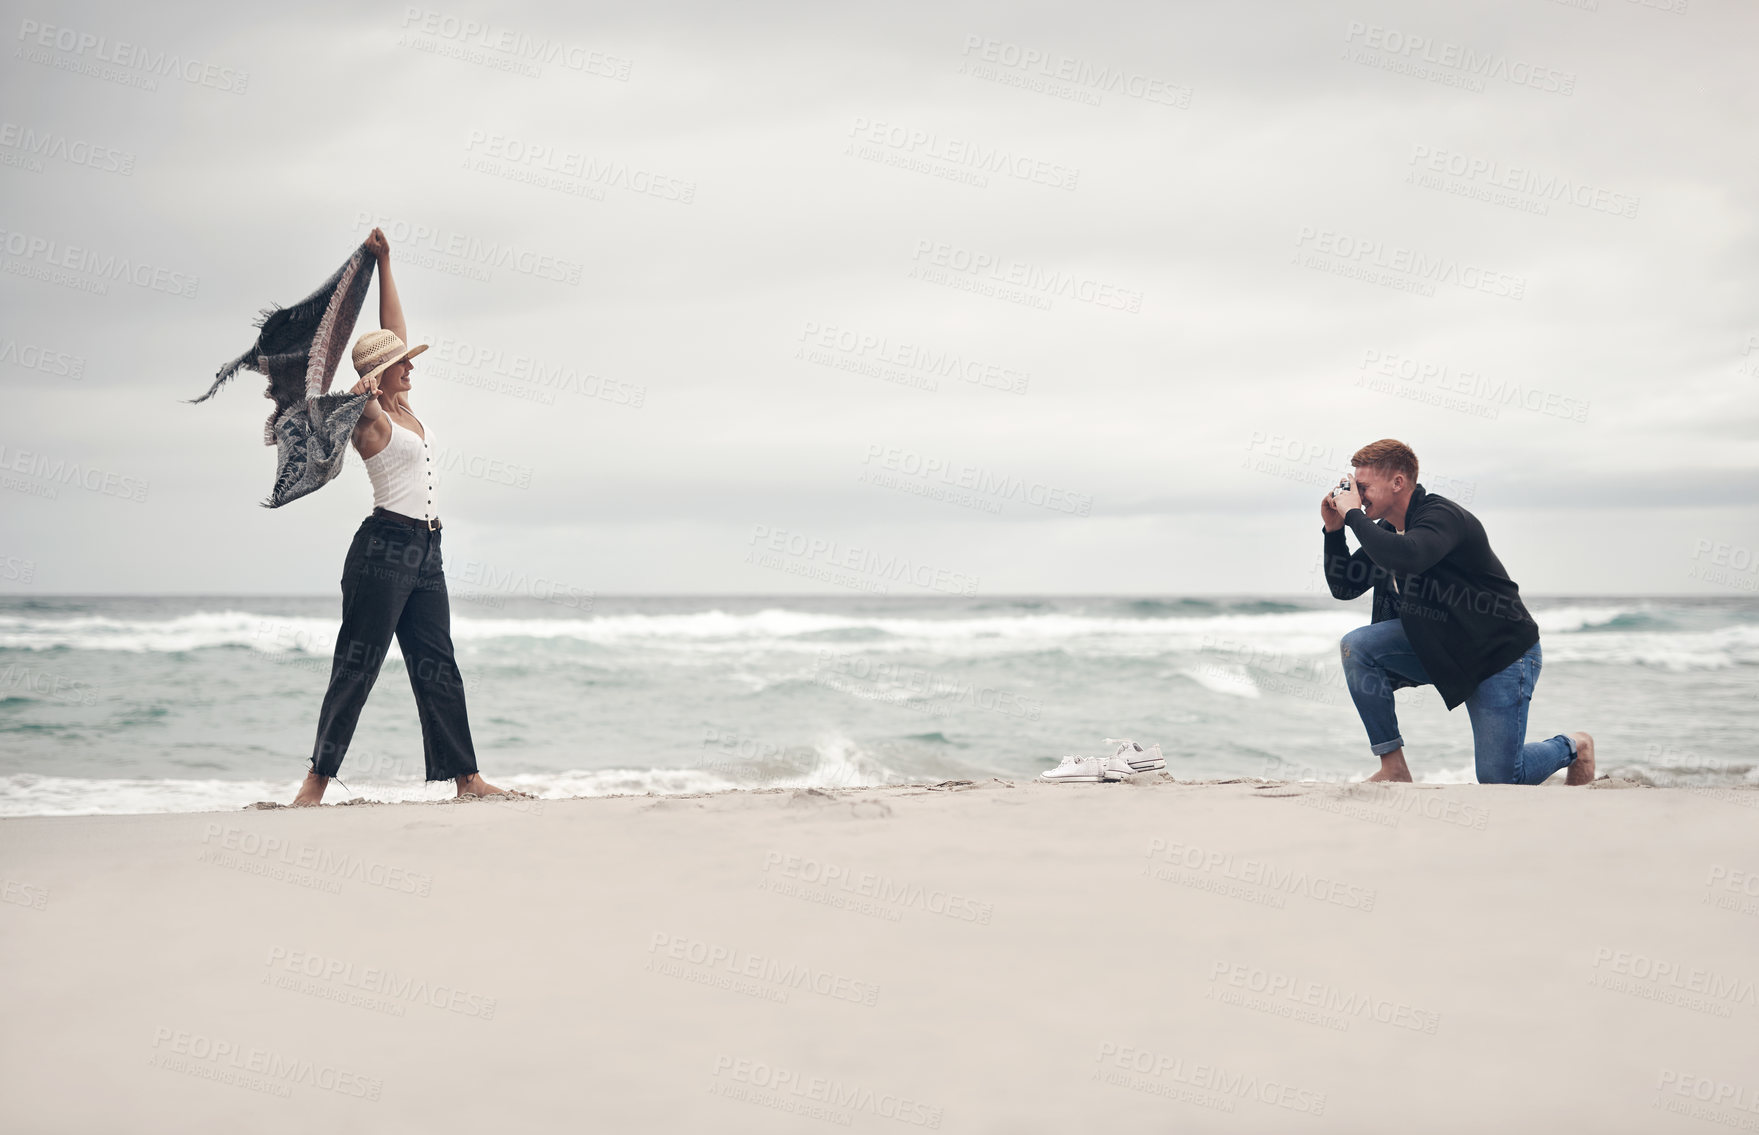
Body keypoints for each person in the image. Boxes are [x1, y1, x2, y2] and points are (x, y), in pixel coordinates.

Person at [292, 228, 512, 805]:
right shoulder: (369, 417)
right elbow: (333, 398)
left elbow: (393, 331)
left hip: (429, 551)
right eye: (400, 365)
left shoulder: (405, 407)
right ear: (380, 376)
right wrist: (359, 388)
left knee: (438, 663)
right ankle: (315, 783)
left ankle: (466, 779)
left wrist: (386, 263)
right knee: (357, 664)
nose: (409, 367)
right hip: (384, 549)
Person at [1319, 439, 1595, 786]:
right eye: (1354, 489)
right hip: (1443, 646)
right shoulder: (1386, 533)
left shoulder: (1441, 518)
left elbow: (1407, 556)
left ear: (1398, 482)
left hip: (1499, 656)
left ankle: (1575, 745)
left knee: (1501, 778)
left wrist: (1355, 515)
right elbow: (1345, 586)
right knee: (1357, 647)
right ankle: (1394, 768)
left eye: (1363, 487)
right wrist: (1334, 529)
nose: (1356, 496)